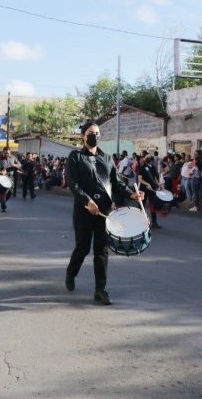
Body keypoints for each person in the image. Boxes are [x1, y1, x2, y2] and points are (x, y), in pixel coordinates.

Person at [65, 121, 142, 305]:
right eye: (91, 132)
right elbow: (73, 183)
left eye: (98, 133)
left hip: (105, 212)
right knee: (82, 248)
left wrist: (131, 193)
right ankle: (71, 272)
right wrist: (87, 201)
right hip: (84, 211)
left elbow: (116, 182)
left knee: (101, 251)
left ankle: (100, 290)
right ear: (83, 135)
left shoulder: (107, 158)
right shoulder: (75, 156)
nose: (95, 136)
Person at [138, 152, 162, 229]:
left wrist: (159, 184)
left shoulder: (153, 167)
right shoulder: (142, 167)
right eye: (147, 156)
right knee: (141, 206)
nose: (149, 158)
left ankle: (154, 223)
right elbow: (140, 179)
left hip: (152, 189)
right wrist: (147, 184)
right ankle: (138, 222)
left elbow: (155, 177)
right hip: (143, 189)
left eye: (149, 156)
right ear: (144, 158)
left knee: (153, 205)